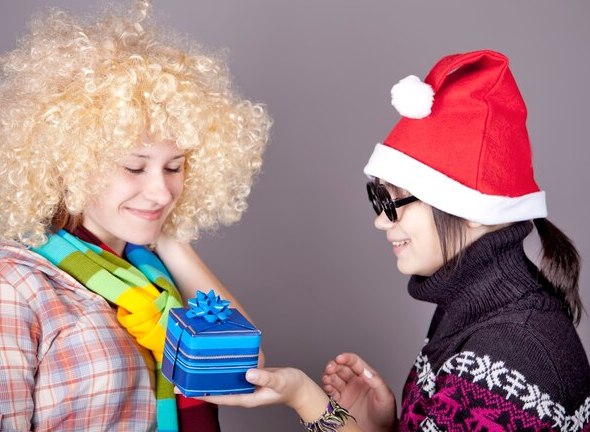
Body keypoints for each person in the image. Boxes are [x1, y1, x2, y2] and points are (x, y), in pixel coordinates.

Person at [198, 50, 590, 432]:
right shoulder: (474, 314)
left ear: (471, 208)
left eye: (392, 200)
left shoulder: (508, 355)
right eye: (377, 199)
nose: (380, 222)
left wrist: (306, 399)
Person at [0, 0, 270, 432]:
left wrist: (169, 237)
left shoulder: (154, 275)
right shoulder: (12, 286)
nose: (160, 189)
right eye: (134, 166)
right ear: (72, 161)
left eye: (174, 167)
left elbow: (246, 369)